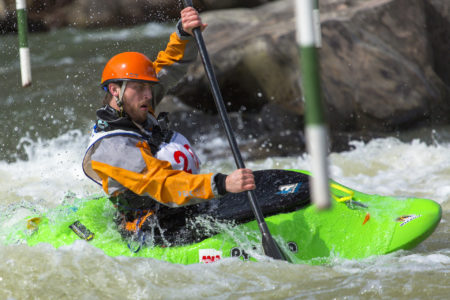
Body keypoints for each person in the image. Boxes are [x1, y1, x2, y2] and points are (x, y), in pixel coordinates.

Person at [82, 7, 255, 245]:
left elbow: (169, 66)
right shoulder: (113, 148)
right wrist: (221, 183)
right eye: (140, 88)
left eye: (148, 88)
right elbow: (163, 184)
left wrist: (184, 34)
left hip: (178, 209)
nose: (148, 95)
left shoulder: (136, 106)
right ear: (115, 90)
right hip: (152, 228)